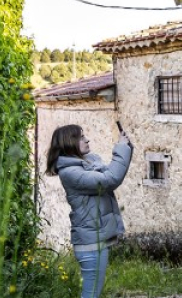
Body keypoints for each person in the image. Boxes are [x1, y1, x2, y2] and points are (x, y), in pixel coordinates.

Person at [45, 123, 133, 298]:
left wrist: (126, 147)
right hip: (90, 245)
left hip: (95, 241)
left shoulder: (87, 164)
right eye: (81, 137)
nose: (87, 139)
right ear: (69, 143)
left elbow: (113, 171)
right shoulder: (71, 173)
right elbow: (111, 179)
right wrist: (121, 148)